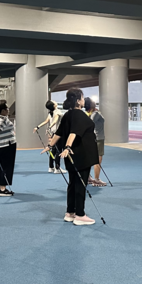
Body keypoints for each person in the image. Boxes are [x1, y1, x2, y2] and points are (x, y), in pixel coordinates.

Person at [42, 88, 98, 226]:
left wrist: (50, 145)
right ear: (78, 101)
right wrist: (67, 147)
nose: (84, 100)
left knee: (73, 183)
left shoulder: (68, 114)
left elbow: (59, 133)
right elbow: (73, 133)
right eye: (82, 98)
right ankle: (80, 215)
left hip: (72, 155)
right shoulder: (79, 115)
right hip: (81, 155)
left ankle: (70, 212)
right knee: (80, 184)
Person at [34, 100, 66, 174]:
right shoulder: (57, 112)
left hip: (53, 133)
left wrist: (37, 127)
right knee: (58, 151)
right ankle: (57, 168)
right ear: (54, 105)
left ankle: (51, 167)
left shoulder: (50, 113)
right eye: (53, 101)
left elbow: (46, 121)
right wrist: (49, 127)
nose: (55, 101)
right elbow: (55, 121)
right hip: (58, 134)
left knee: (53, 150)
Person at [84, 98, 106, 187]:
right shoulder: (95, 114)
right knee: (98, 159)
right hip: (98, 138)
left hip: (91, 138)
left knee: (90, 159)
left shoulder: (88, 114)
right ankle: (96, 179)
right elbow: (90, 123)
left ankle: (88, 177)